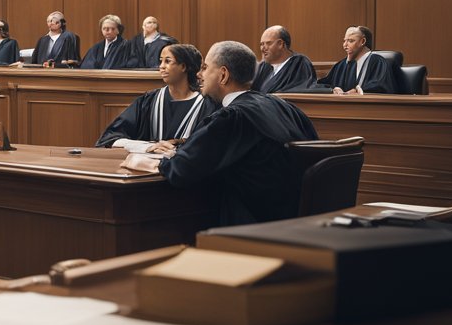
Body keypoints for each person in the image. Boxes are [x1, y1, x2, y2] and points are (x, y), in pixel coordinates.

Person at [122, 40, 318, 225]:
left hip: (252, 225)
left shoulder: (233, 116)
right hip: (296, 219)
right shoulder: (283, 106)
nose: (200, 74)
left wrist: (142, 161)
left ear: (223, 75)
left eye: (206, 68)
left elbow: (182, 170)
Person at [97, 44, 214, 150]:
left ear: (183, 67)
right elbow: (110, 137)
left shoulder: (206, 104)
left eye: (168, 61)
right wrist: (148, 147)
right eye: (161, 61)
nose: (161, 67)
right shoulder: (148, 101)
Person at [315, 25, 405, 95]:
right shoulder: (341, 65)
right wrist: (333, 89)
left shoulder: (378, 62)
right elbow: (323, 84)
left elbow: (381, 87)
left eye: (350, 41)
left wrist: (357, 91)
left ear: (362, 41)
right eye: (344, 41)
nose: (345, 45)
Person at [251, 25, 316, 93]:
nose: (263, 48)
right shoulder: (263, 66)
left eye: (268, 43)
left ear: (280, 44)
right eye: (261, 44)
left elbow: (300, 90)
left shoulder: (299, 63)